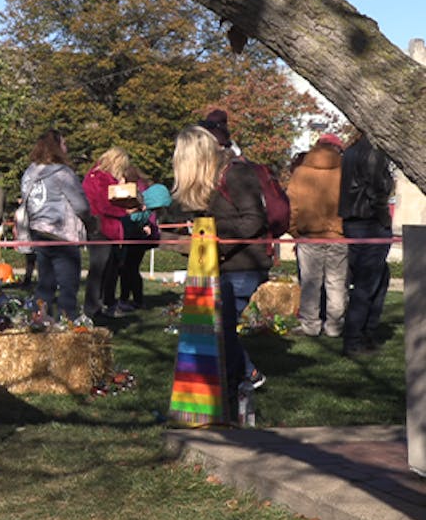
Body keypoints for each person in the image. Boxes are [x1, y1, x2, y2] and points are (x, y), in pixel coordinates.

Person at [172, 125, 270, 397]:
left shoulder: (235, 174)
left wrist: (218, 239)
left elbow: (254, 219)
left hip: (243, 265)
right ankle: (242, 377)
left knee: (222, 331)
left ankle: (236, 385)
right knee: (218, 329)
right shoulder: (213, 181)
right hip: (221, 263)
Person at [20, 129, 90, 321]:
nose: (67, 148)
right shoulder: (62, 173)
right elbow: (81, 205)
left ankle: (39, 321)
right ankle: (67, 322)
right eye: (64, 144)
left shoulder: (29, 173)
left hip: (38, 231)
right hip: (62, 233)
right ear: (57, 147)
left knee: (45, 282)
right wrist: (91, 220)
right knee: (68, 284)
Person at [338, 131, 394, 357]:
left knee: (378, 278)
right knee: (366, 283)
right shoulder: (373, 152)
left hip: (354, 220)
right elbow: (377, 189)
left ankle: (365, 332)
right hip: (369, 221)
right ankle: (354, 339)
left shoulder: (350, 152)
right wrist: (383, 217)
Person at [286, 133, 347, 337]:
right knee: (336, 283)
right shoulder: (344, 172)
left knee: (310, 283)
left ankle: (310, 325)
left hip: (309, 236)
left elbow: (291, 206)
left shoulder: (301, 172)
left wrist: (295, 232)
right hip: (339, 236)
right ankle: (334, 326)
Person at [82, 147, 135, 317]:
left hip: (107, 228)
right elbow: (104, 204)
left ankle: (106, 303)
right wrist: (124, 210)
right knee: (99, 269)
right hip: (101, 227)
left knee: (109, 269)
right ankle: (92, 307)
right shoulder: (99, 179)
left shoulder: (100, 177)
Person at [117, 178, 170, 309]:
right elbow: (130, 221)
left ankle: (132, 300)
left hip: (135, 241)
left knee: (130, 271)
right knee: (128, 271)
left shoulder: (147, 209)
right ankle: (130, 300)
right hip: (130, 241)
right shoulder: (139, 207)